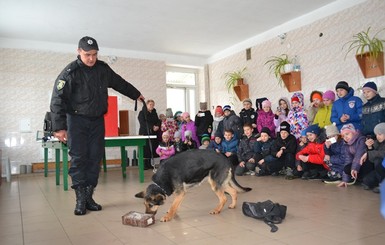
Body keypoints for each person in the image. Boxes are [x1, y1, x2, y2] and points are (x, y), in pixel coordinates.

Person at [50, 36, 144, 216]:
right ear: (79, 52)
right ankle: (80, 200)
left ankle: (88, 197)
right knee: (79, 158)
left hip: (96, 121)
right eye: (87, 54)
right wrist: (59, 127)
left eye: (94, 54)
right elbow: (57, 100)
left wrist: (136, 94)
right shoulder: (70, 73)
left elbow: (119, 83)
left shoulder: (103, 69)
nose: (91, 58)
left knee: (94, 158)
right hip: (76, 121)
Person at [337, 123, 366, 188]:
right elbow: (348, 160)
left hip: (365, 162)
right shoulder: (347, 145)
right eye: (343, 136)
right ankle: (357, 177)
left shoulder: (361, 139)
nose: (345, 137)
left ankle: (363, 178)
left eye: (347, 134)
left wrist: (354, 168)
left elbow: (359, 155)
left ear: (353, 132)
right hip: (357, 165)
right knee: (347, 168)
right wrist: (345, 180)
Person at [361, 123, 385, 192]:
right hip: (379, 170)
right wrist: (369, 147)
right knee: (366, 181)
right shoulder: (377, 142)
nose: (378, 137)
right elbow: (372, 159)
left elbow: (382, 154)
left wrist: (368, 153)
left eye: (380, 134)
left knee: (378, 161)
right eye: (376, 134)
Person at [138, 99, 161, 170]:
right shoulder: (142, 113)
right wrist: (152, 126)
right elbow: (143, 122)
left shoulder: (154, 113)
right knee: (145, 148)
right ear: (146, 105)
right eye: (150, 104)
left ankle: (149, 163)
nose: (152, 106)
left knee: (151, 149)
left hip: (153, 133)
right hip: (145, 133)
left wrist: (157, 126)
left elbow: (157, 121)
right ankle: (144, 164)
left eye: (153, 105)